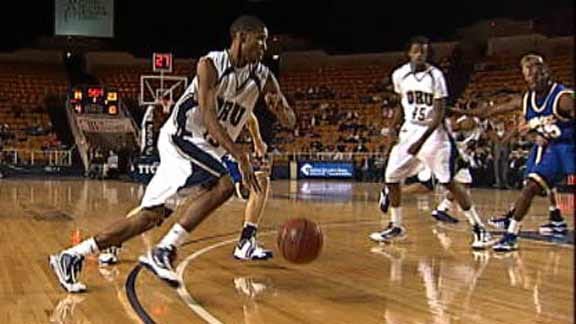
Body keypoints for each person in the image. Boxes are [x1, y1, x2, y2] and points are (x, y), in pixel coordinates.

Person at [49, 15, 296, 293]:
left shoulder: (262, 75)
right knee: (229, 178)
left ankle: (71, 256)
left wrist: (281, 110)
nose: (264, 46)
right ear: (240, 37)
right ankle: (165, 250)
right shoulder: (210, 64)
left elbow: (289, 120)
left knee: (149, 217)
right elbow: (208, 115)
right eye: (259, 39)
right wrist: (238, 154)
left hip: (207, 148)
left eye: (266, 40)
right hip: (182, 137)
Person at [370, 36, 494, 250]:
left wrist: (420, 142)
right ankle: (397, 226)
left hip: (433, 134)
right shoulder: (399, 75)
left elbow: (438, 114)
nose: (420, 55)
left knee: (448, 182)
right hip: (409, 129)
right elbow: (402, 104)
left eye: (424, 52)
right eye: (417, 51)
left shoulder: (436, 76)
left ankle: (479, 228)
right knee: (390, 178)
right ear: (409, 53)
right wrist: (392, 127)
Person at [462, 54, 574, 251]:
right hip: (544, 149)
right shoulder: (527, 98)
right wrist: (456, 110)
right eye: (529, 75)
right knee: (532, 185)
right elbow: (492, 112)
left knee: (532, 186)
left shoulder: (563, 98)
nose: (535, 78)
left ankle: (511, 234)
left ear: (547, 72)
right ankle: (555, 219)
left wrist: (558, 134)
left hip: (564, 148)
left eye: (539, 73)